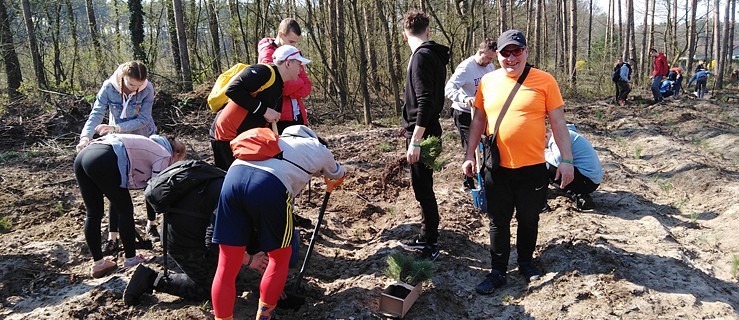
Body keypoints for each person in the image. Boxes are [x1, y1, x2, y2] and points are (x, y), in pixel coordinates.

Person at [461, 29, 574, 295]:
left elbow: (558, 124)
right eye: (505, 53)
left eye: (517, 52)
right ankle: (498, 271)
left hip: (532, 167)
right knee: (498, 221)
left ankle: (526, 263)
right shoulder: (487, 83)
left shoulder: (545, 81)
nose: (511, 58)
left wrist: (567, 160)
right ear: (497, 55)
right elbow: (478, 121)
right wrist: (469, 155)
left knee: (529, 219)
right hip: (496, 167)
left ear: (525, 52)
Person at [210, 125, 346, 320]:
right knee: (280, 256)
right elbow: (338, 174)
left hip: (232, 180)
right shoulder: (317, 147)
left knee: (226, 264)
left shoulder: (272, 140)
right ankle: (264, 317)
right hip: (269, 186)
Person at [123, 162, 268, 305]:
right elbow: (214, 243)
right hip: (183, 243)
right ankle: (152, 278)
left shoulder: (239, 182)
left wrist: (263, 264)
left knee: (232, 271)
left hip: (187, 226)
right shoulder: (232, 200)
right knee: (215, 287)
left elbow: (251, 230)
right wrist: (250, 260)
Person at [75, 61, 161, 254]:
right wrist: (85, 137)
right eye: (131, 85)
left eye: (140, 86)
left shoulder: (147, 89)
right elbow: (96, 113)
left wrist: (116, 128)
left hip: (143, 137)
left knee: (150, 182)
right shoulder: (109, 87)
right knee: (117, 186)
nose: (135, 89)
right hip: (119, 141)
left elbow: (144, 119)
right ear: (122, 78)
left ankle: (152, 222)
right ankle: (112, 236)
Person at [74, 134, 186, 278]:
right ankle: (131, 259)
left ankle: (98, 264)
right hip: (104, 157)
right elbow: (155, 187)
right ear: (176, 154)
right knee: (125, 210)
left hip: (84, 154)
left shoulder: (149, 142)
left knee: (93, 213)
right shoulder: (164, 155)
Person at [396, 9, 450, 261]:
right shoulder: (434, 56)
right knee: (423, 187)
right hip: (430, 128)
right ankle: (427, 234)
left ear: (405, 36)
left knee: (423, 189)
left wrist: (415, 140)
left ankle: (430, 242)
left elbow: (426, 101)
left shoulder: (420, 58)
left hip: (424, 133)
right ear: (427, 30)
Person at [209, 45, 310, 171]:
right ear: (288, 63)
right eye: (299, 64)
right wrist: (265, 110)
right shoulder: (265, 71)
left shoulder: (279, 85)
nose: (301, 70)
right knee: (227, 180)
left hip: (241, 138)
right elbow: (232, 90)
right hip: (225, 136)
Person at [444, 38, 496, 190]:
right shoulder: (466, 67)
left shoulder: (490, 67)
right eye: (487, 57)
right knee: (470, 146)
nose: (489, 61)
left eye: (492, 59)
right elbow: (449, 88)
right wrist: (465, 98)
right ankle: (468, 182)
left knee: (487, 144)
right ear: (480, 52)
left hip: (483, 113)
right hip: (464, 112)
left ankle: (486, 177)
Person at [257, 18, 312, 134]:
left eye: (296, 43)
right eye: (291, 42)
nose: (294, 46)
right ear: (281, 35)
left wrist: (294, 86)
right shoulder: (267, 54)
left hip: (297, 114)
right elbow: (278, 86)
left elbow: (307, 86)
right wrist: (298, 83)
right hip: (279, 118)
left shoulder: (293, 52)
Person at [545, 124, 603, 211]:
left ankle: (540, 194)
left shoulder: (556, 138)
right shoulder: (565, 132)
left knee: (541, 164)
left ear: (545, 136)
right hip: (592, 180)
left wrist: (540, 154)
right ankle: (577, 193)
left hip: (585, 181)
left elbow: (558, 160)